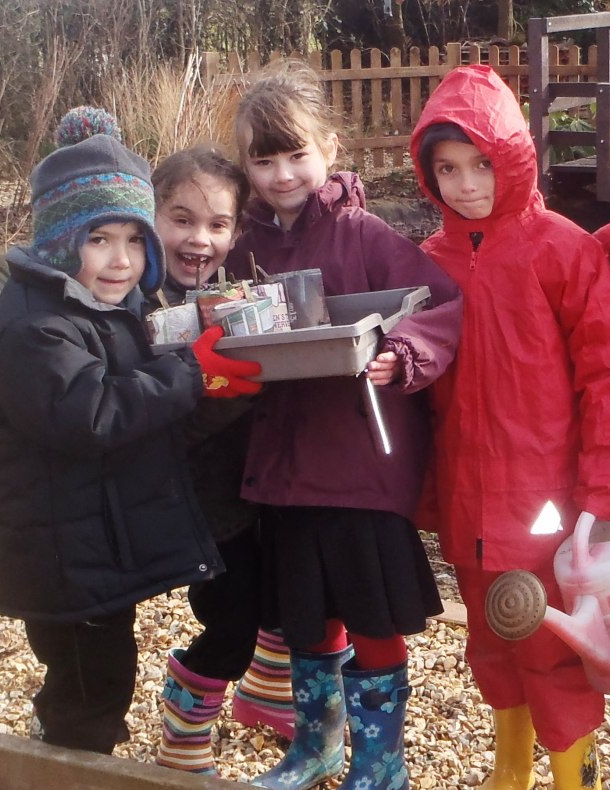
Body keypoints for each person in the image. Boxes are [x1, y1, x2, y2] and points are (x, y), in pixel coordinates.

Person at [0, 107, 262, 756]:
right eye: (98, 239)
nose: (121, 260)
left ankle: (75, 751)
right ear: (57, 239)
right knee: (90, 690)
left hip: (83, 542)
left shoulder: (89, 305)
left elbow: (142, 391)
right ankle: (63, 765)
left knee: (103, 673)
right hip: (55, 556)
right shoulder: (34, 329)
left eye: (134, 241)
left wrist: (215, 384)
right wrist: (194, 373)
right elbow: (95, 413)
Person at [226, 61, 463, 790]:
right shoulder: (246, 246)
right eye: (263, 160)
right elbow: (222, 327)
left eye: (295, 154)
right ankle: (317, 746)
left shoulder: (363, 232)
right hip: (285, 469)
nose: (281, 174)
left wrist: (402, 354)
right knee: (306, 617)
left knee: (369, 614)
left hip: (360, 466)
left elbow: (440, 306)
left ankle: (381, 764)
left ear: (329, 148)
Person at [410, 64, 610, 789]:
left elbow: (606, 378)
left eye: (482, 165)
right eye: (448, 168)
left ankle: (574, 777)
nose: (466, 184)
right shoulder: (426, 262)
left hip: (550, 505)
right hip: (470, 502)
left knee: (553, 649)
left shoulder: (564, 251)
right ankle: (508, 772)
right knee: (493, 640)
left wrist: (603, 494)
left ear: (515, 159)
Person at [148, 145, 294, 775]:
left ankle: (264, 694)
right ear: (151, 216)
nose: (199, 239)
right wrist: (226, 396)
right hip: (200, 507)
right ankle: (182, 736)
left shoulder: (239, 293)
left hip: (254, 490)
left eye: (217, 225)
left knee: (286, 594)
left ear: (238, 230)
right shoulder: (141, 306)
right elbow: (158, 428)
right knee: (230, 624)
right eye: (181, 219)